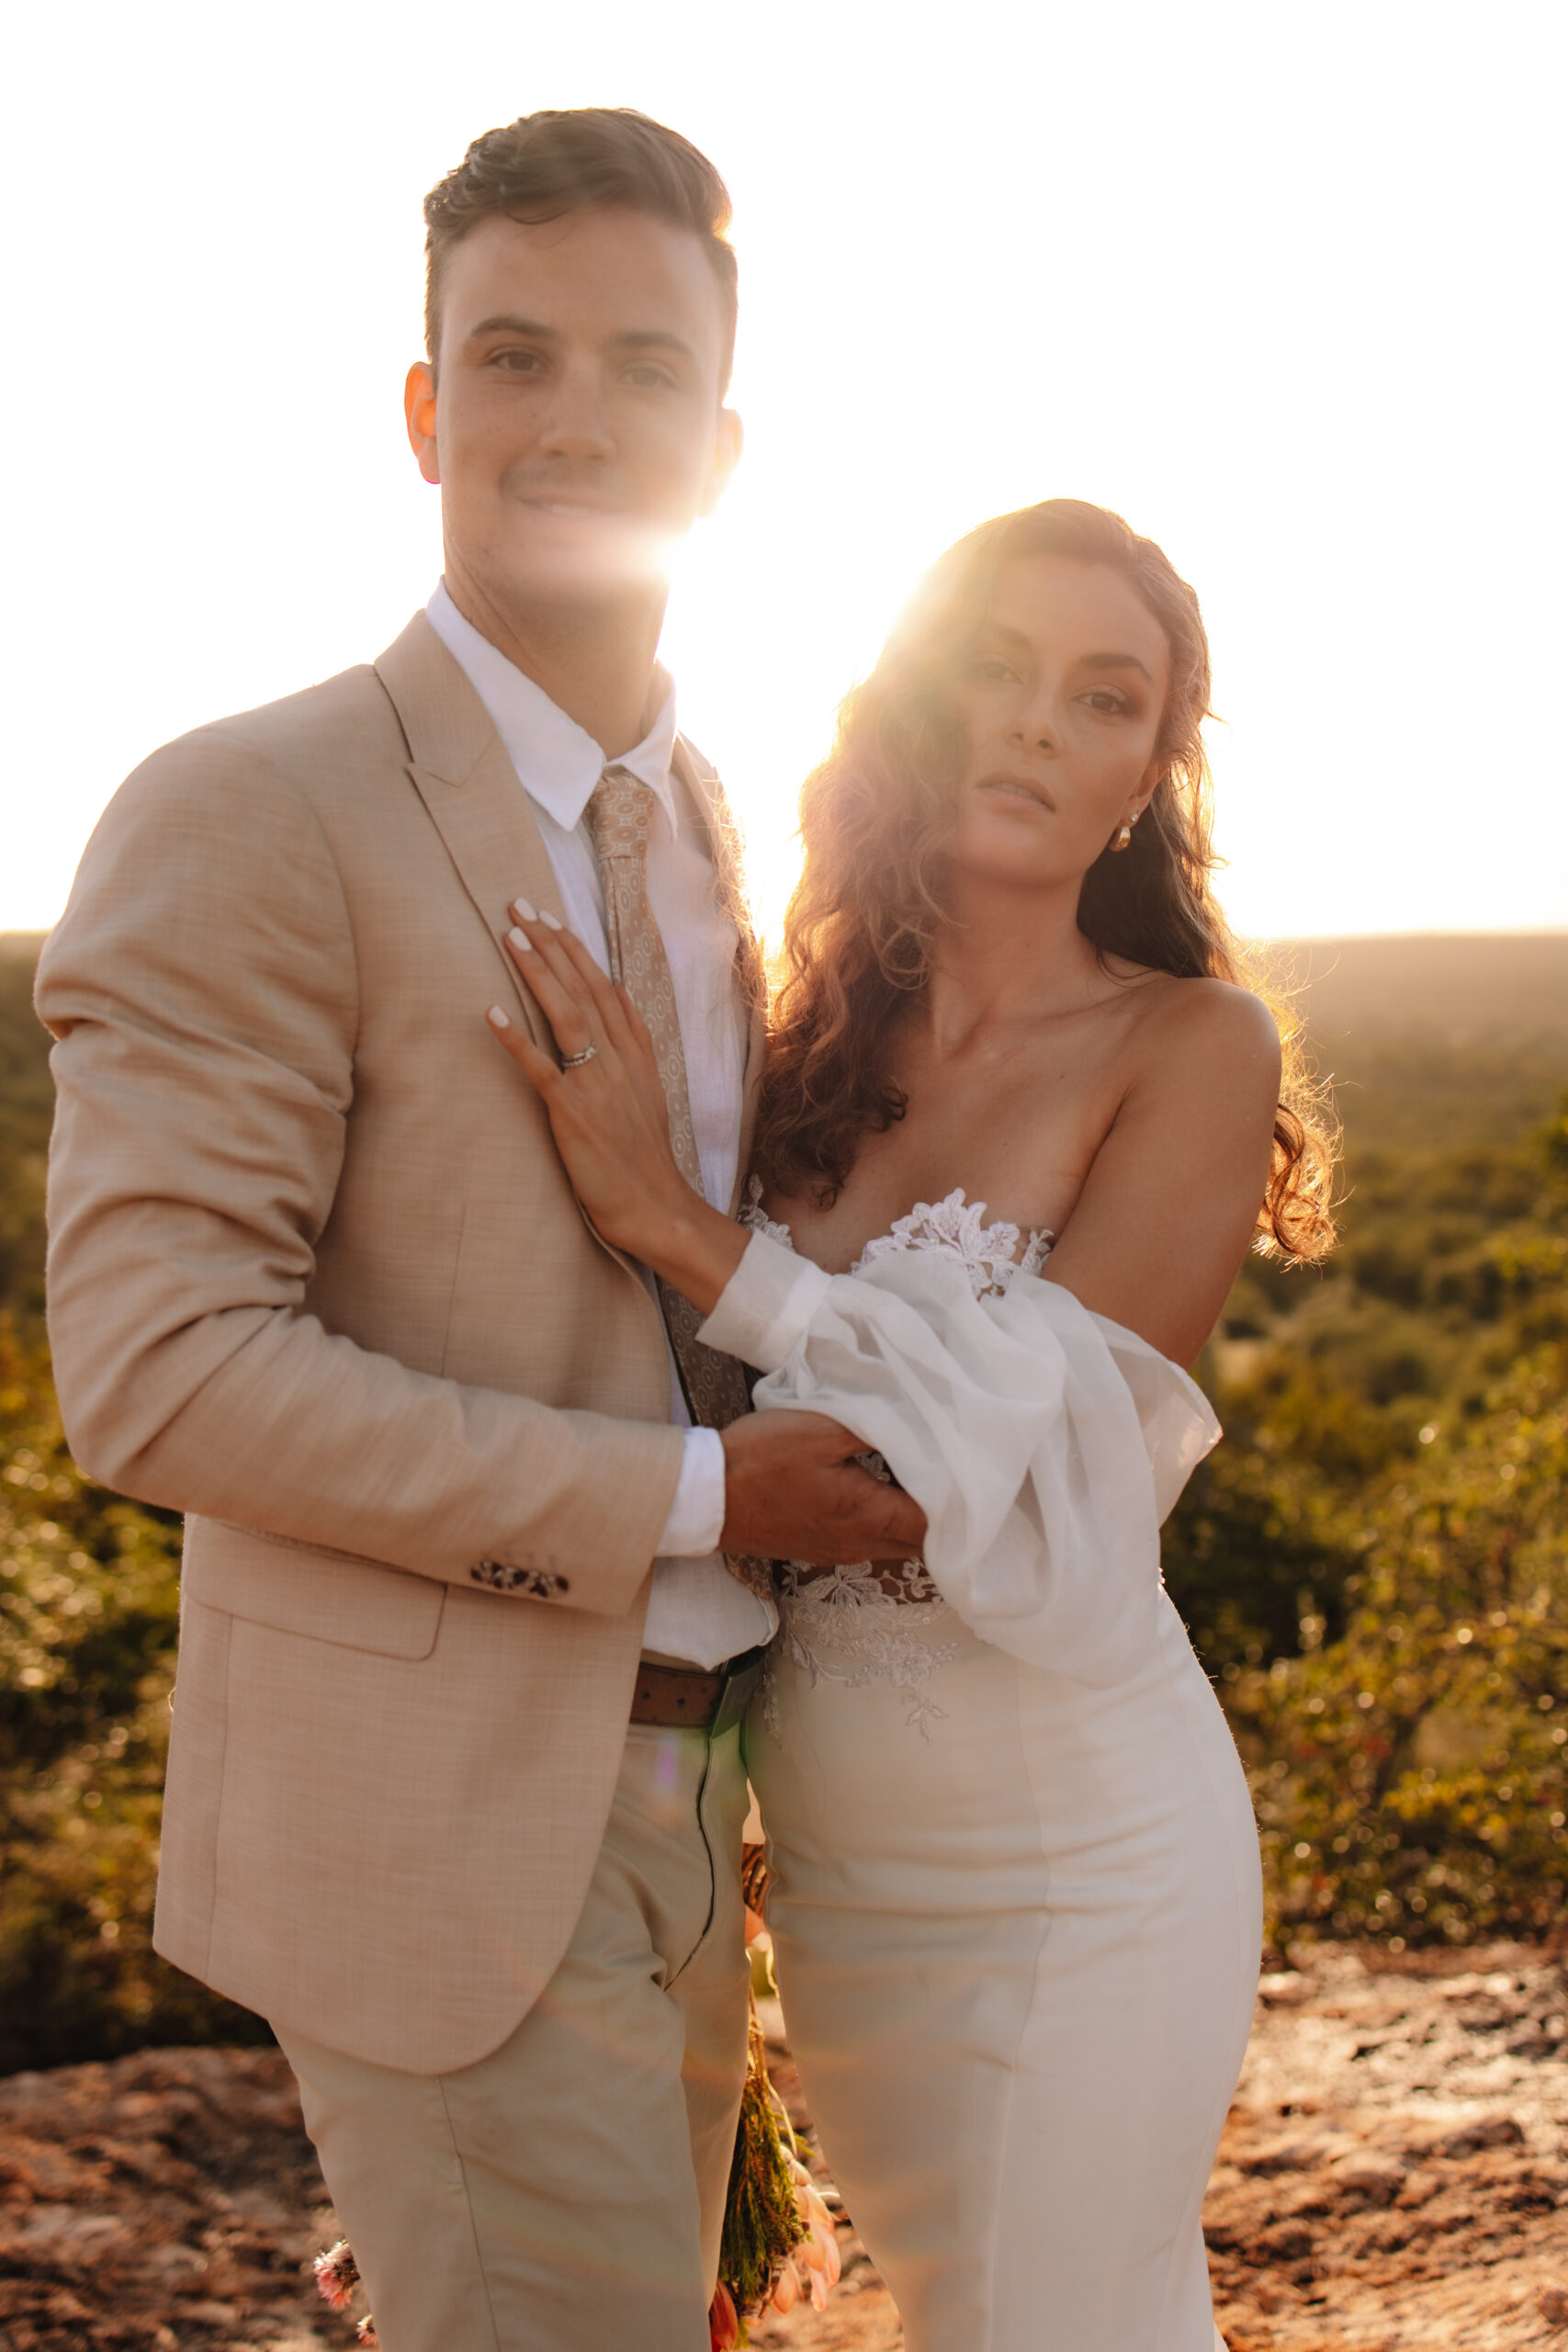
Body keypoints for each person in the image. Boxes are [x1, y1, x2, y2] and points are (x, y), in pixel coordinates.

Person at [34, 107, 921, 2352]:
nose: (572, 417)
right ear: (426, 411)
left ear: (721, 449)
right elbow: (160, 1368)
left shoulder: (721, 823)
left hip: (697, 1809)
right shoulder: (250, 805)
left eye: (638, 366)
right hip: (439, 1837)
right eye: (511, 358)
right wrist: (702, 1497)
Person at [485, 495, 1337, 2350]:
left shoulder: (1191, 1046)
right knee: (996, 2311)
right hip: (848, 1869)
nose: (1035, 721)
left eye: (1099, 696)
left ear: (1140, 775)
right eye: (994, 671)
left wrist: (690, 1236)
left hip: (1086, 1844)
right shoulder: (793, 1049)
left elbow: (1010, 1465)